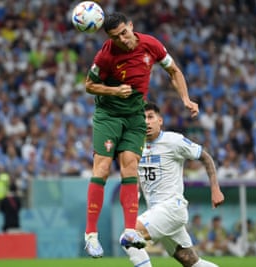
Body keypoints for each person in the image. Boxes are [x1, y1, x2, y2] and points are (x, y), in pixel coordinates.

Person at [83, 12, 199, 258]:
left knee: (130, 168)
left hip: (135, 114)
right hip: (109, 115)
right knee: (102, 168)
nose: (122, 39)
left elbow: (174, 71)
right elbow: (89, 85)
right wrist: (113, 91)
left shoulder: (151, 45)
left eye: (124, 33)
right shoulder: (106, 54)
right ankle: (91, 235)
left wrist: (186, 99)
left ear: (131, 26)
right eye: (115, 36)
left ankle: (130, 230)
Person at [122, 103, 223, 267]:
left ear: (160, 120)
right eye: (142, 118)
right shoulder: (135, 147)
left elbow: (205, 157)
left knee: (129, 237)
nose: (146, 122)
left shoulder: (173, 141)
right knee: (190, 261)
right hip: (157, 212)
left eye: (150, 117)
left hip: (172, 208)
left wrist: (215, 188)